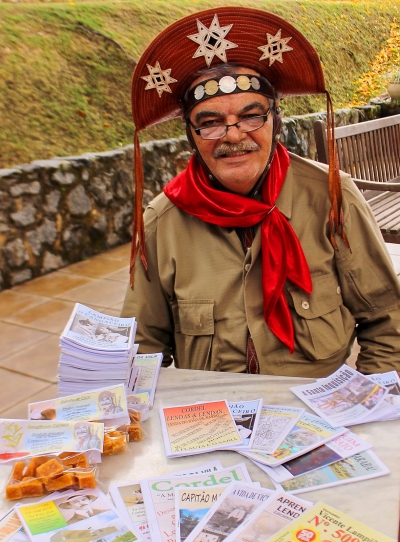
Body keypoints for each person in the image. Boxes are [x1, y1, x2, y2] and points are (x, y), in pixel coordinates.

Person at [121, 7, 400, 378]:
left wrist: (367, 398)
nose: (234, 135)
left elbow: (387, 318)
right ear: (192, 135)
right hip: (214, 419)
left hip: (315, 414)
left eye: (252, 116)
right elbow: (141, 349)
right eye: (211, 123)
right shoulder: (162, 222)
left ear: (276, 121)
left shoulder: (330, 196)